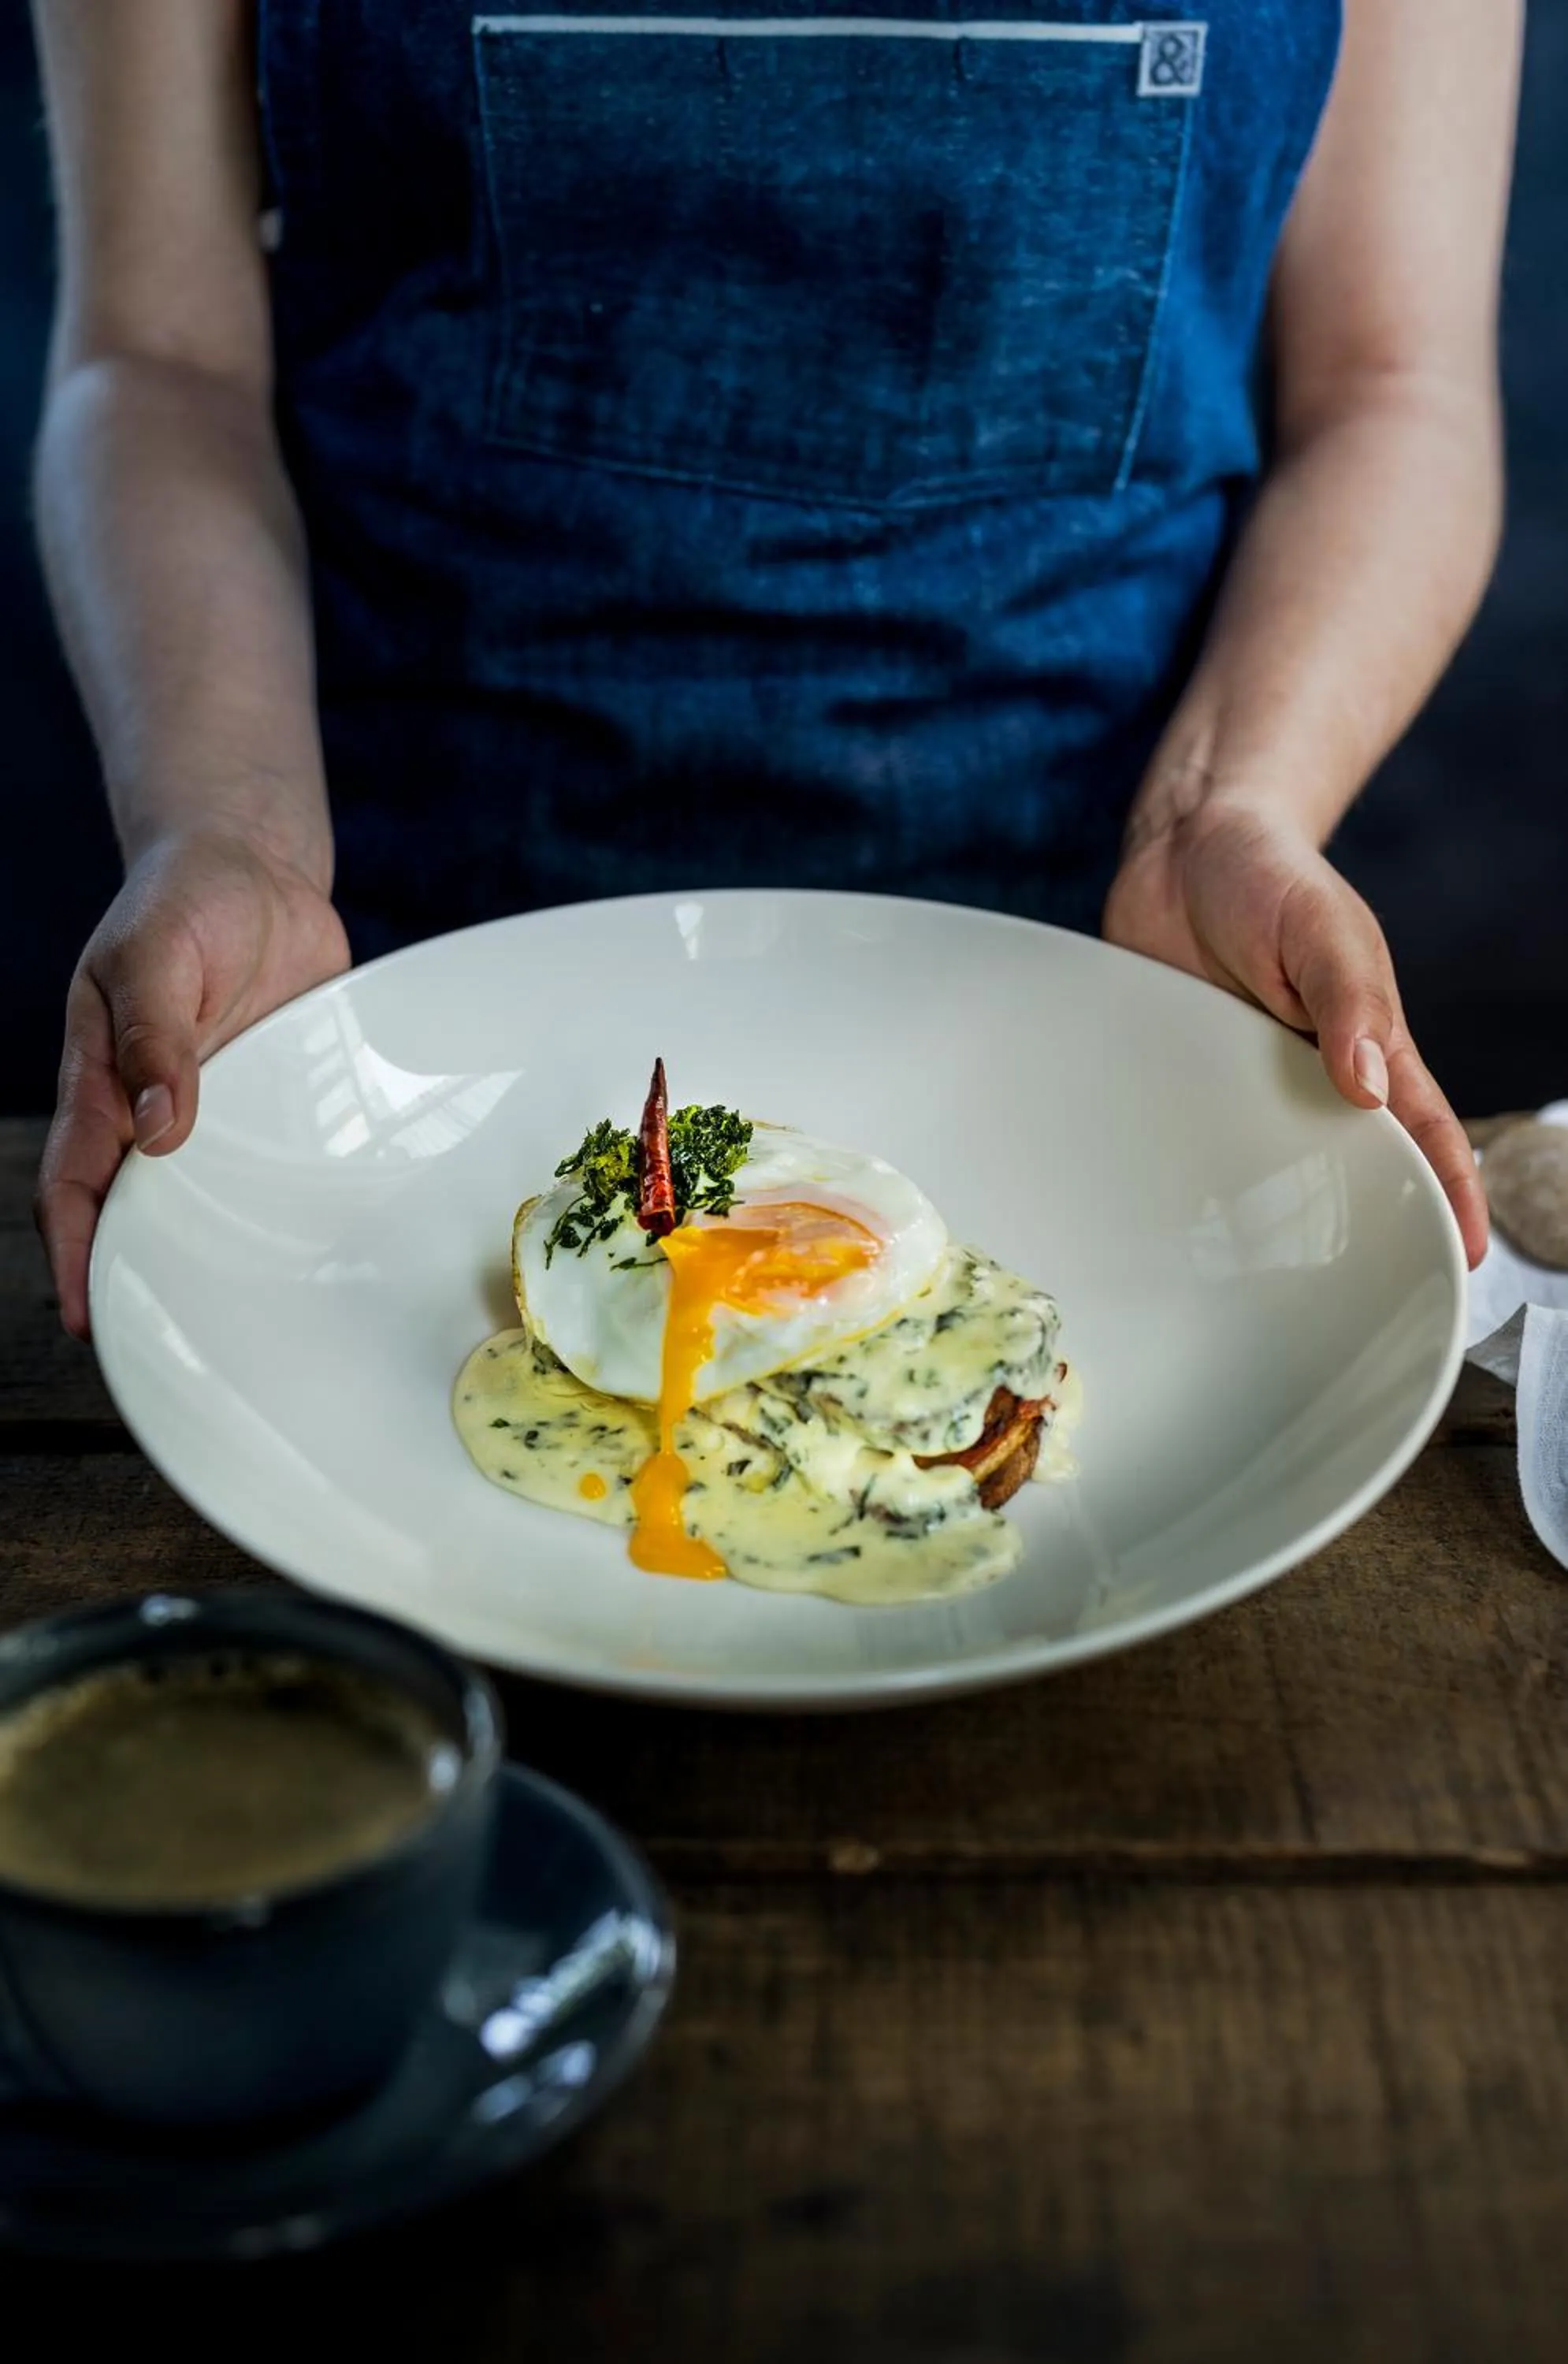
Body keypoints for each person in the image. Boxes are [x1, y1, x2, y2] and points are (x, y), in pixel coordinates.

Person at [32, 0, 1518, 1339]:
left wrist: (1224, 808)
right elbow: (160, 359)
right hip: (396, 1021)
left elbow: (1392, 386)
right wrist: (229, 835)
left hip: (1115, 1002)